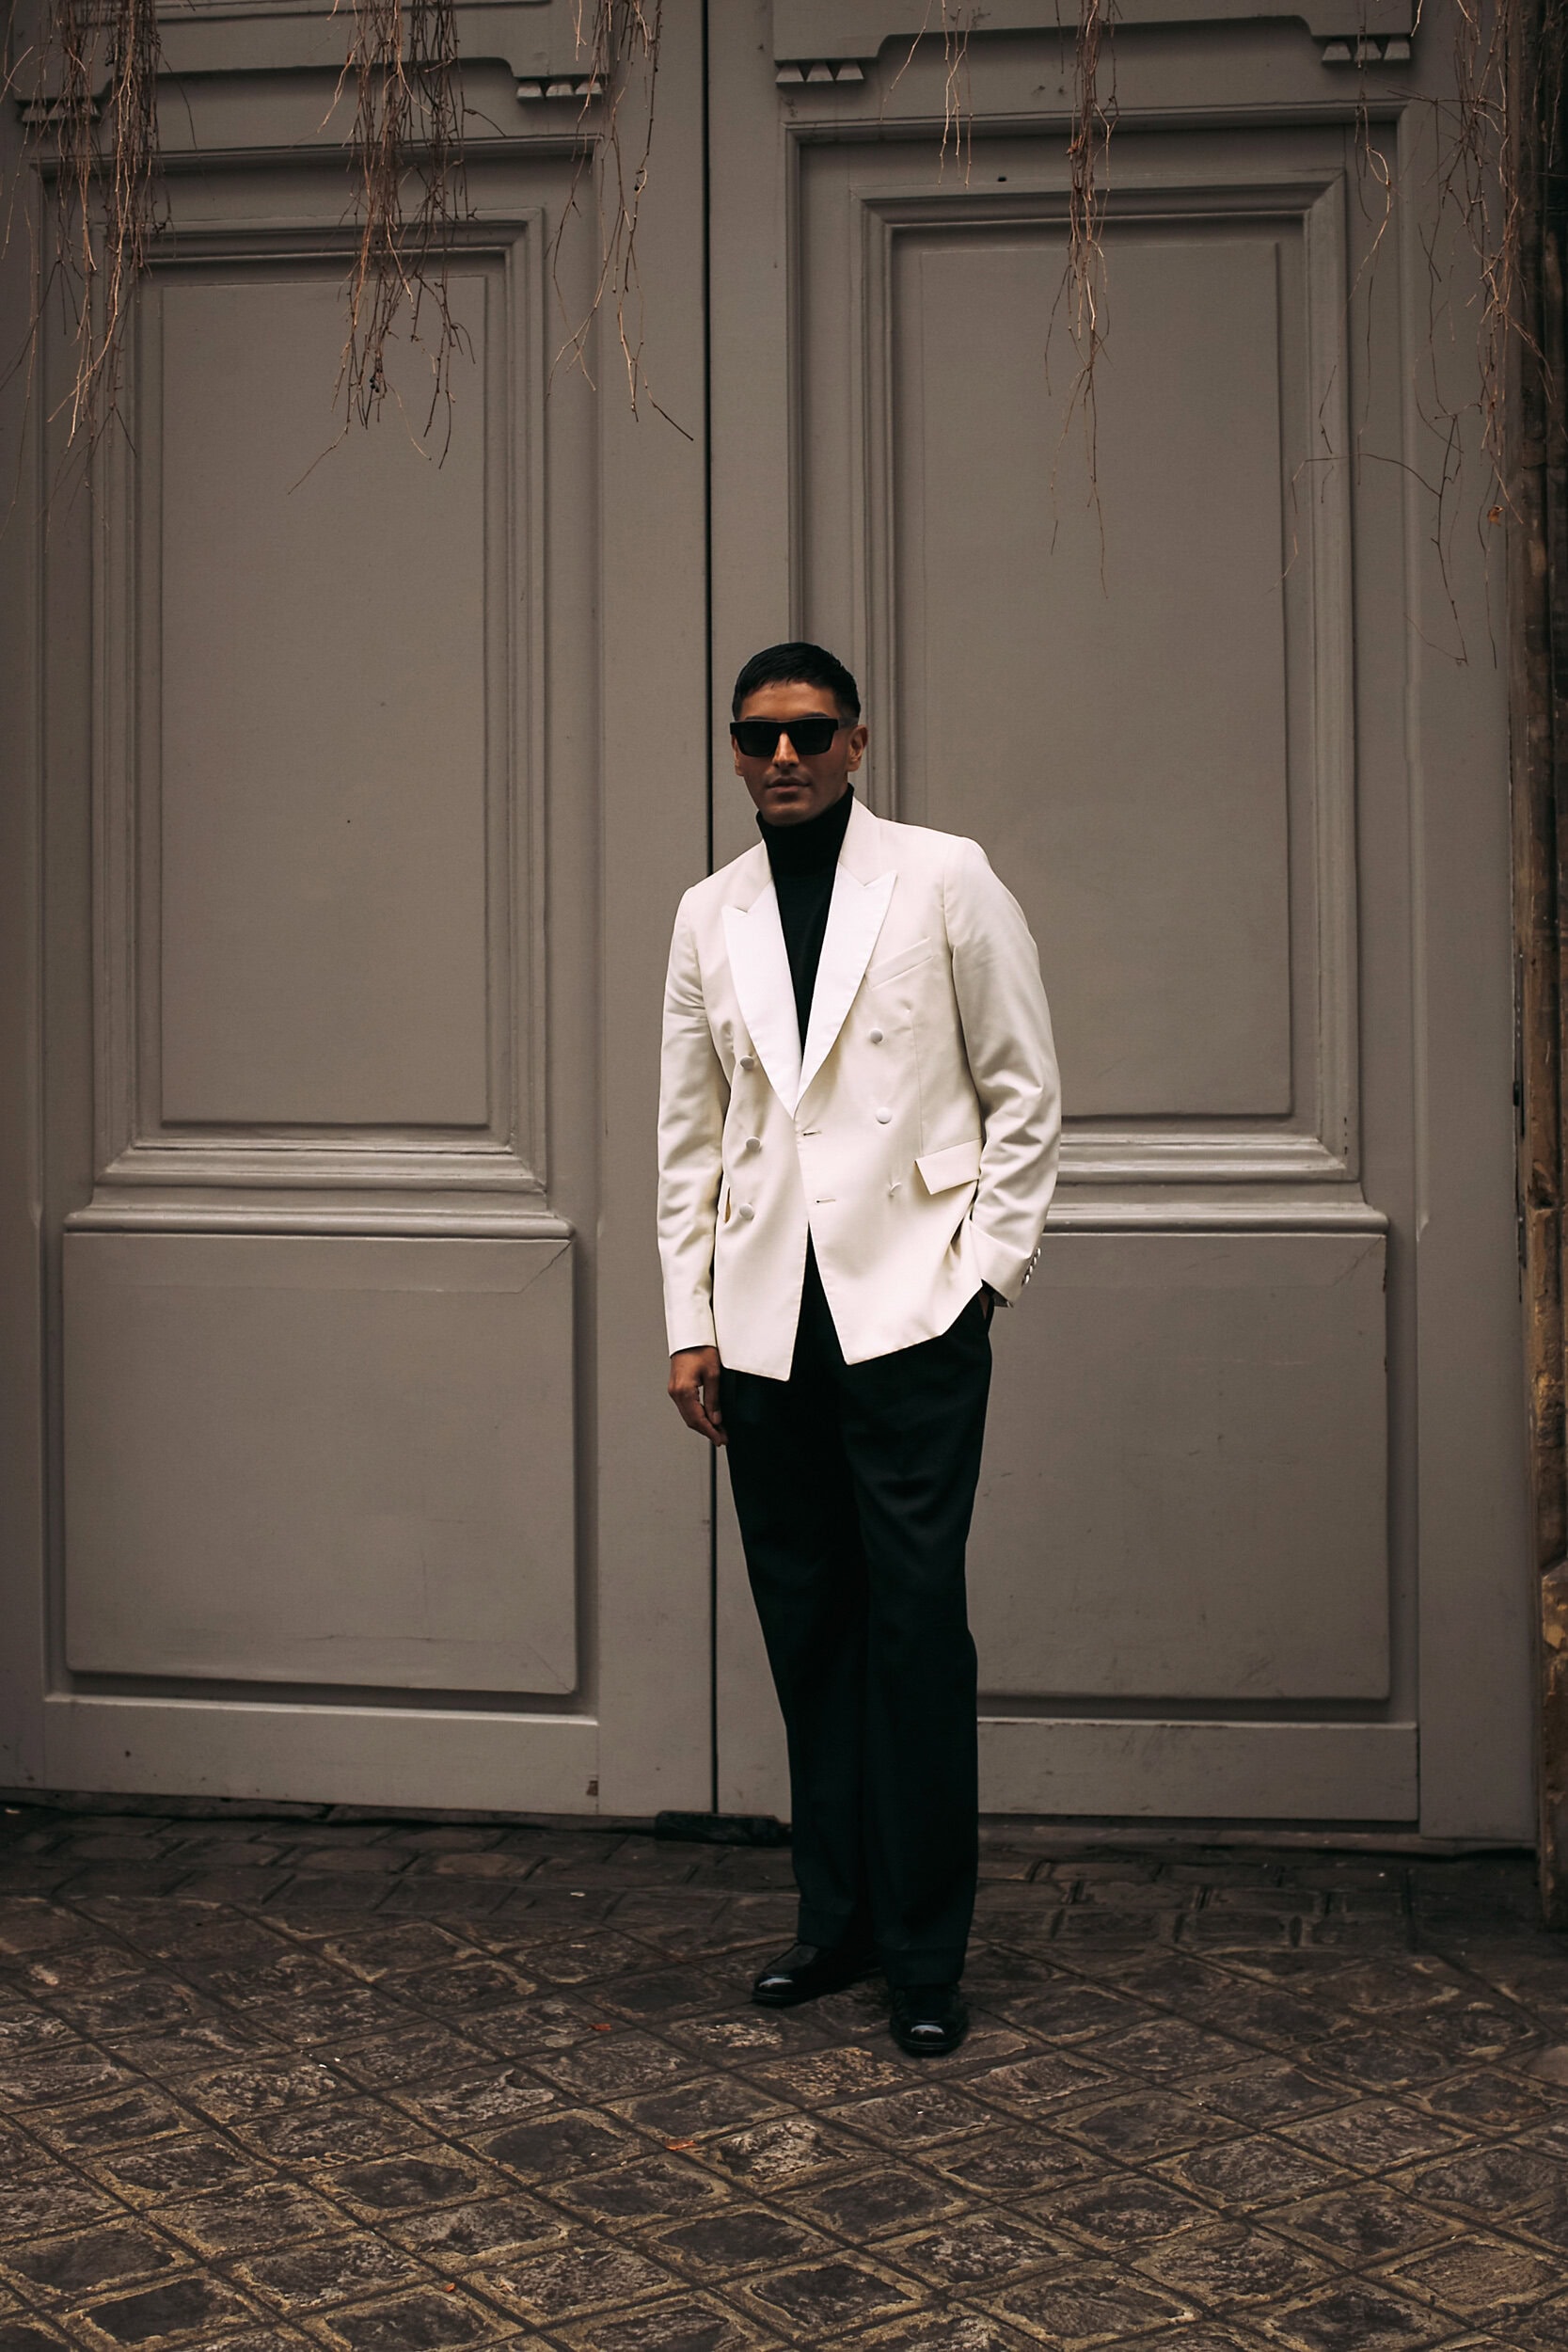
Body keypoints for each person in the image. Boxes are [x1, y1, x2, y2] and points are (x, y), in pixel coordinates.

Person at [657, 642, 1060, 2056]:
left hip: (910, 1317)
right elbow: (691, 1135)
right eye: (758, 735)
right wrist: (692, 1323)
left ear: (858, 742)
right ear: (735, 750)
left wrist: (981, 1278)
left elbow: (1024, 1092)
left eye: (811, 732)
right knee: (809, 1632)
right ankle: (835, 1923)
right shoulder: (708, 913)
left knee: (914, 1630)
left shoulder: (945, 878)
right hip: (767, 1332)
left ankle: (926, 1955)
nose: (785, 756)